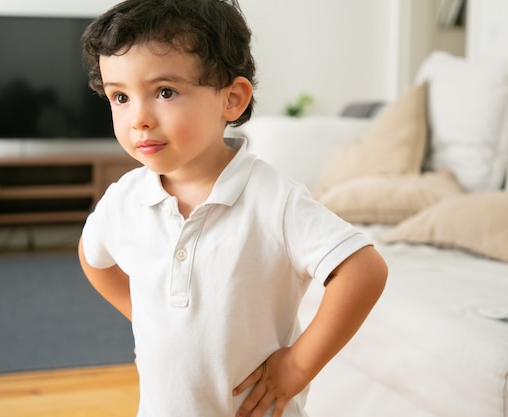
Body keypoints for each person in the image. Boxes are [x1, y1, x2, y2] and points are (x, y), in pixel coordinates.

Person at [78, 1, 388, 416]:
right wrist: (143, 318)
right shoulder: (124, 199)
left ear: (232, 99)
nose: (139, 119)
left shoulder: (274, 200)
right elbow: (93, 257)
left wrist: (298, 365)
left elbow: (363, 271)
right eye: (120, 97)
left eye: (165, 92)